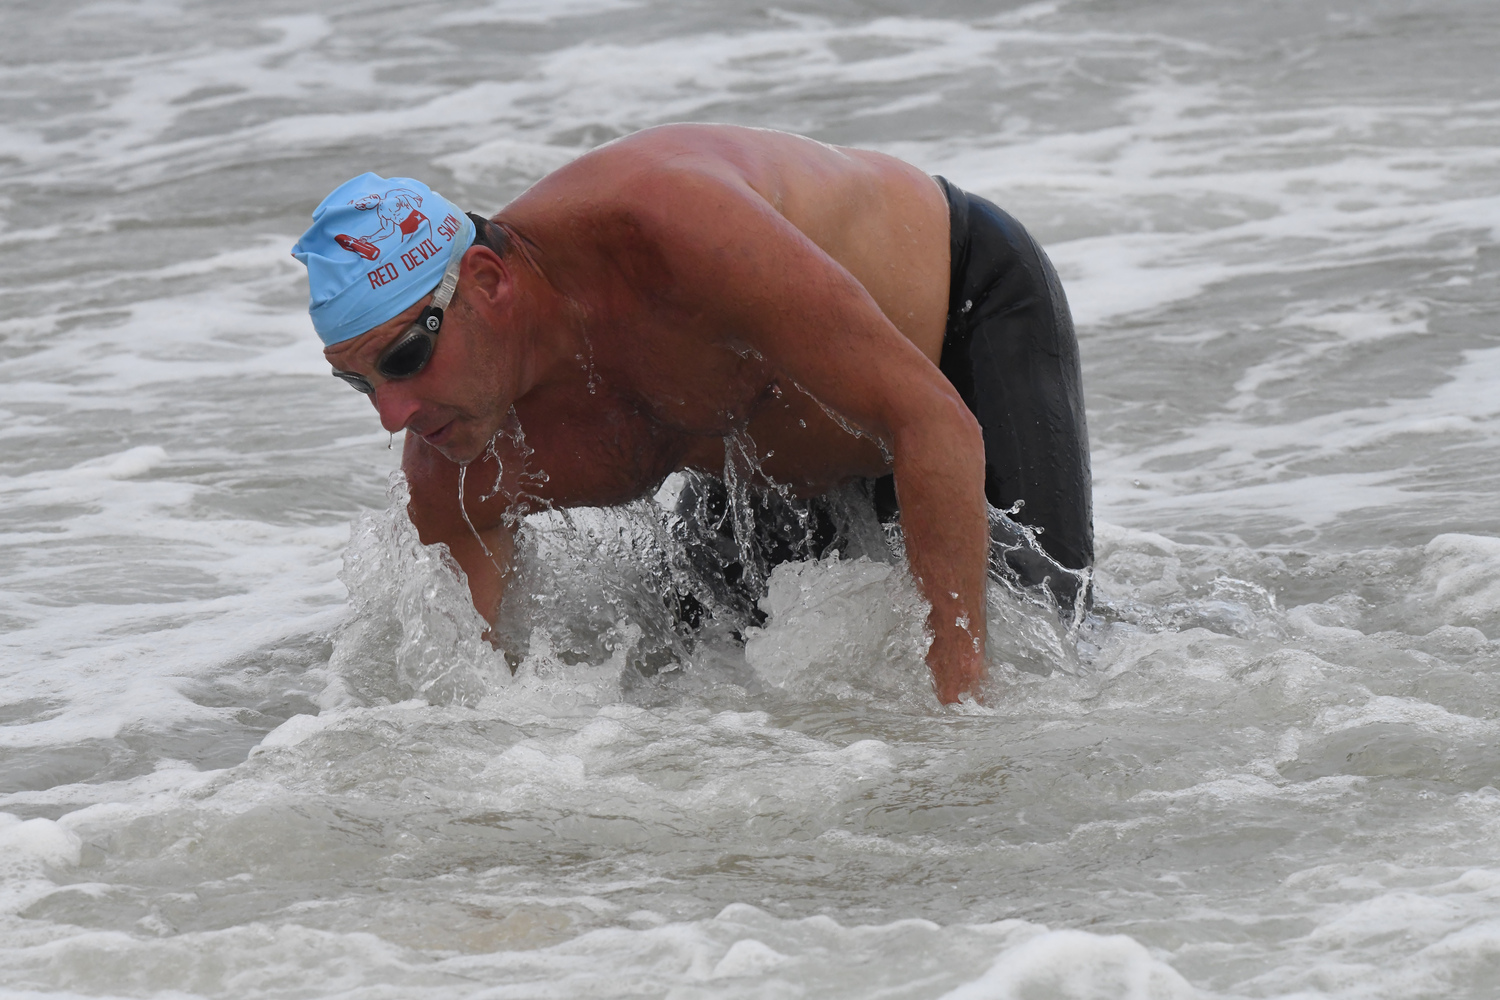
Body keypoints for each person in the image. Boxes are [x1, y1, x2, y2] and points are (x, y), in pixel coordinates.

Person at [292, 124, 1091, 704]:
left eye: (402, 358)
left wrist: (962, 722)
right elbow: (474, 700)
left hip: (956, 328)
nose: (393, 415)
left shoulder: (671, 229)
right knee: (695, 683)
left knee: (1043, 655)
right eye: (360, 384)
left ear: (489, 280)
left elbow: (930, 421)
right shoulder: (455, 456)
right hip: (766, 464)